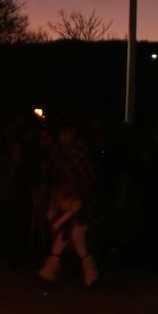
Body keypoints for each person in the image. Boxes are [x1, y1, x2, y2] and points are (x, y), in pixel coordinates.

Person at [37, 122, 99, 287]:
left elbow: (83, 182)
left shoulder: (77, 154)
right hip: (65, 199)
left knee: (77, 239)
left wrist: (58, 220)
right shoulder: (60, 154)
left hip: (76, 202)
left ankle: (89, 274)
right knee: (65, 238)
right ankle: (50, 270)